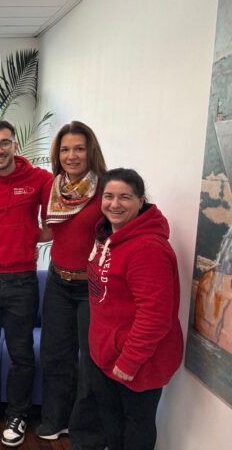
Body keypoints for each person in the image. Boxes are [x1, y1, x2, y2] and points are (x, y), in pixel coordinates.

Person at [0, 120, 53, 447]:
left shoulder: (39, 179)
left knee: (21, 354)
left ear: (15, 145)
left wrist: (30, 236)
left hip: (21, 281)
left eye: (4, 143)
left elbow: (55, 222)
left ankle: (18, 413)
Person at [87, 168, 183, 450]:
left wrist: (129, 361)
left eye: (125, 197)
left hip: (136, 362)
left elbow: (155, 316)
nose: (115, 204)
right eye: (109, 196)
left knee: (135, 429)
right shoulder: (108, 236)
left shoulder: (147, 248)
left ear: (141, 201)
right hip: (108, 355)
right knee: (113, 426)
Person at [37, 121, 107, 448]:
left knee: (90, 361)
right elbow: (50, 230)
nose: (72, 155)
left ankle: (85, 433)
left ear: (91, 151)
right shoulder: (52, 188)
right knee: (54, 354)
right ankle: (55, 419)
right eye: (65, 149)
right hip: (58, 281)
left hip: (91, 288)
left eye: (79, 148)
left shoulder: (105, 188)